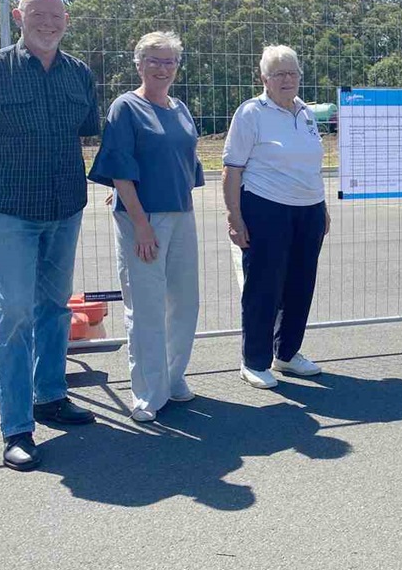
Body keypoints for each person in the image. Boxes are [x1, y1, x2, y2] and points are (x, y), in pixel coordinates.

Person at [0, 0, 99, 471]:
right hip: (12, 211)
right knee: (14, 313)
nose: (48, 23)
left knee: (54, 306)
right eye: (38, 14)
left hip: (65, 207)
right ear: (19, 17)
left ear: (66, 20)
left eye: (56, 16)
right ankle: (17, 427)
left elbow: (86, 132)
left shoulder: (79, 74)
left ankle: (50, 396)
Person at [89, 32, 205, 422]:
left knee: (185, 302)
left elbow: (185, 165)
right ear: (138, 64)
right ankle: (146, 392)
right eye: (153, 60)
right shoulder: (125, 107)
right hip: (143, 221)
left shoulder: (180, 108)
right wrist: (139, 223)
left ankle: (172, 378)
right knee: (147, 307)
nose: (162, 67)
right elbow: (120, 167)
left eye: (169, 60)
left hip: (181, 215)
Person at [223, 45, 331, 389]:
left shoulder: (307, 113)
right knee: (264, 287)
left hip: (309, 210)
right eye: (279, 73)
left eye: (292, 72)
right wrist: (234, 216)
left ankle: (287, 353)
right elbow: (232, 169)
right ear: (264, 78)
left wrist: (322, 207)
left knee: (301, 284)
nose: (287, 79)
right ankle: (254, 360)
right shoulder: (251, 113)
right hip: (266, 208)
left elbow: (311, 165)